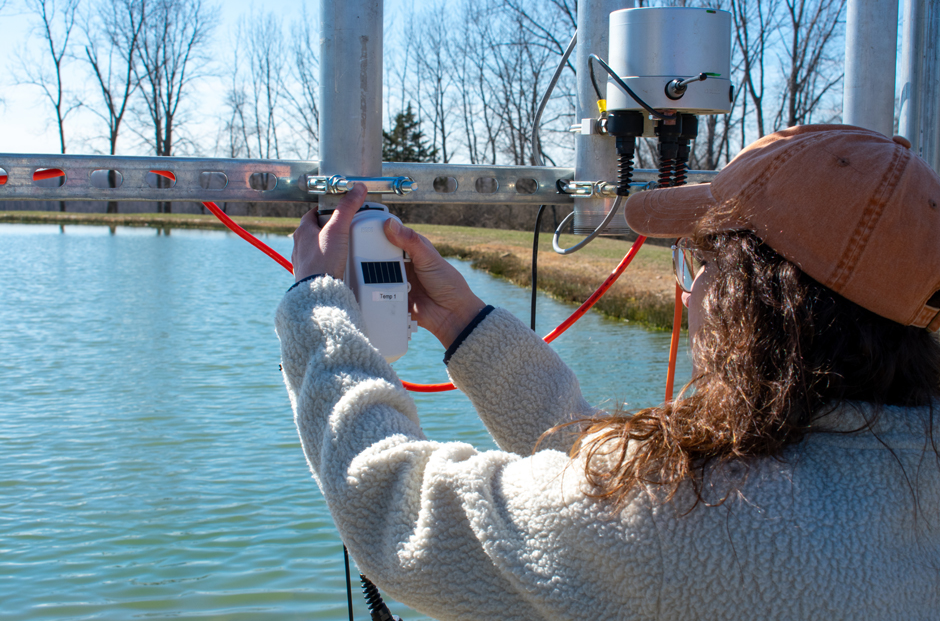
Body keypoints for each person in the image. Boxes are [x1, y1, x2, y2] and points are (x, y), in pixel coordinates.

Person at [275, 125, 940, 620]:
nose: (692, 287)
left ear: (759, 300)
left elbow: (398, 509)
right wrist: (467, 325)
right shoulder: (913, 466)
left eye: (703, 260)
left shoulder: (691, 524)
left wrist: (315, 306)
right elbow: (612, 481)